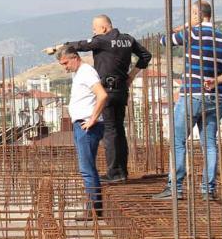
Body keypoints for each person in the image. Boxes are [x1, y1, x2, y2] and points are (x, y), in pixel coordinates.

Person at [45, 15, 151, 184]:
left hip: (106, 89)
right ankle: (121, 171)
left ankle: (114, 174)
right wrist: (131, 76)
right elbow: (146, 55)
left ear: (103, 28)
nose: (94, 33)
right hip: (121, 89)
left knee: (110, 131)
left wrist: (57, 47)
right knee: (118, 131)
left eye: (95, 29)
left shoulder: (102, 40)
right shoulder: (128, 40)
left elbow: (79, 45)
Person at [153, 0, 222, 200]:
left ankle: (175, 188)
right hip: (217, 98)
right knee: (210, 144)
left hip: (192, 97)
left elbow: (163, 41)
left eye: (191, 14)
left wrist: (186, 26)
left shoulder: (193, 33)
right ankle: (208, 190)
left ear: (197, 14)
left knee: (178, 141)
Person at [57, 46, 109, 221]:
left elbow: (102, 95)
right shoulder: (80, 73)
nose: (65, 67)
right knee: (87, 168)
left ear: (74, 57)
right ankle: (94, 207)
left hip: (87, 126)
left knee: (87, 169)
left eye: (65, 63)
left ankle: (93, 210)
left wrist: (93, 119)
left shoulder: (87, 72)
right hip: (82, 125)